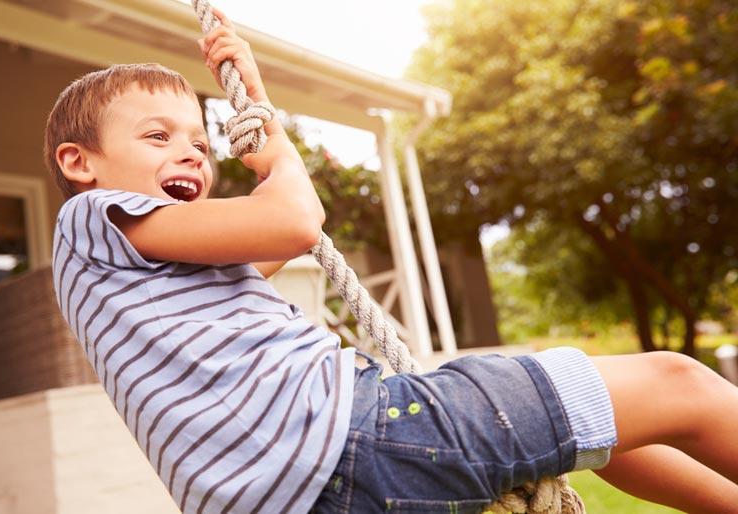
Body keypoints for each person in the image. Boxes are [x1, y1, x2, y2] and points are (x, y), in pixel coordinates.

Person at [45, 9, 738, 514]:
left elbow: (278, 242)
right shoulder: (92, 219)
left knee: (603, 429)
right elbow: (294, 218)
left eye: (201, 140)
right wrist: (277, 146)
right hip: (351, 442)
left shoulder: (152, 280)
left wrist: (254, 102)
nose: (193, 152)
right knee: (679, 383)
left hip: (305, 493)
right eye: (158, 136)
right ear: (79, 163)